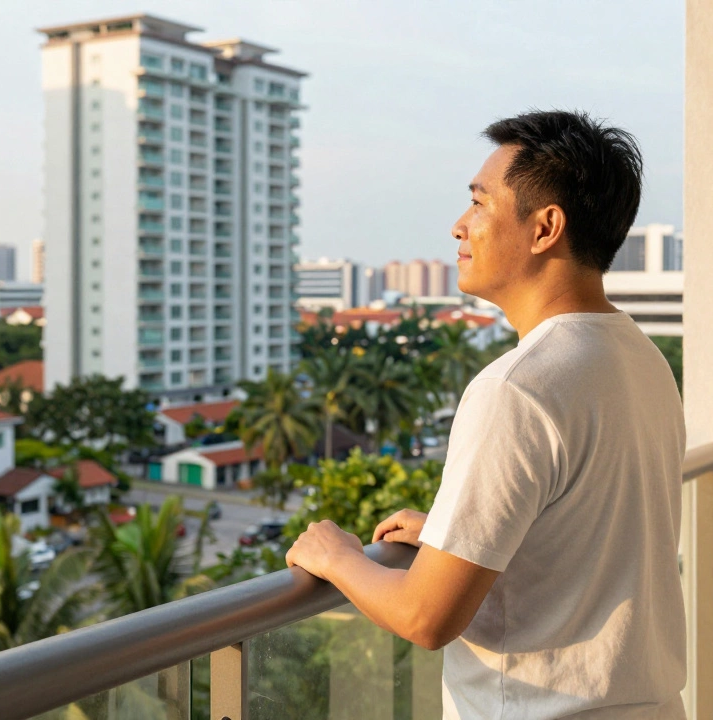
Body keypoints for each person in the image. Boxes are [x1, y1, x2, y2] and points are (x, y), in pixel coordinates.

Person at [285, 110, 687, 719]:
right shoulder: (638, 357)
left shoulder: (518, 387)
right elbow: (591, 528)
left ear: (546, 227)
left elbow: (426, 618)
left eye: (479, 203)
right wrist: (460, 539)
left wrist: (338, 557)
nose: (458, 226)